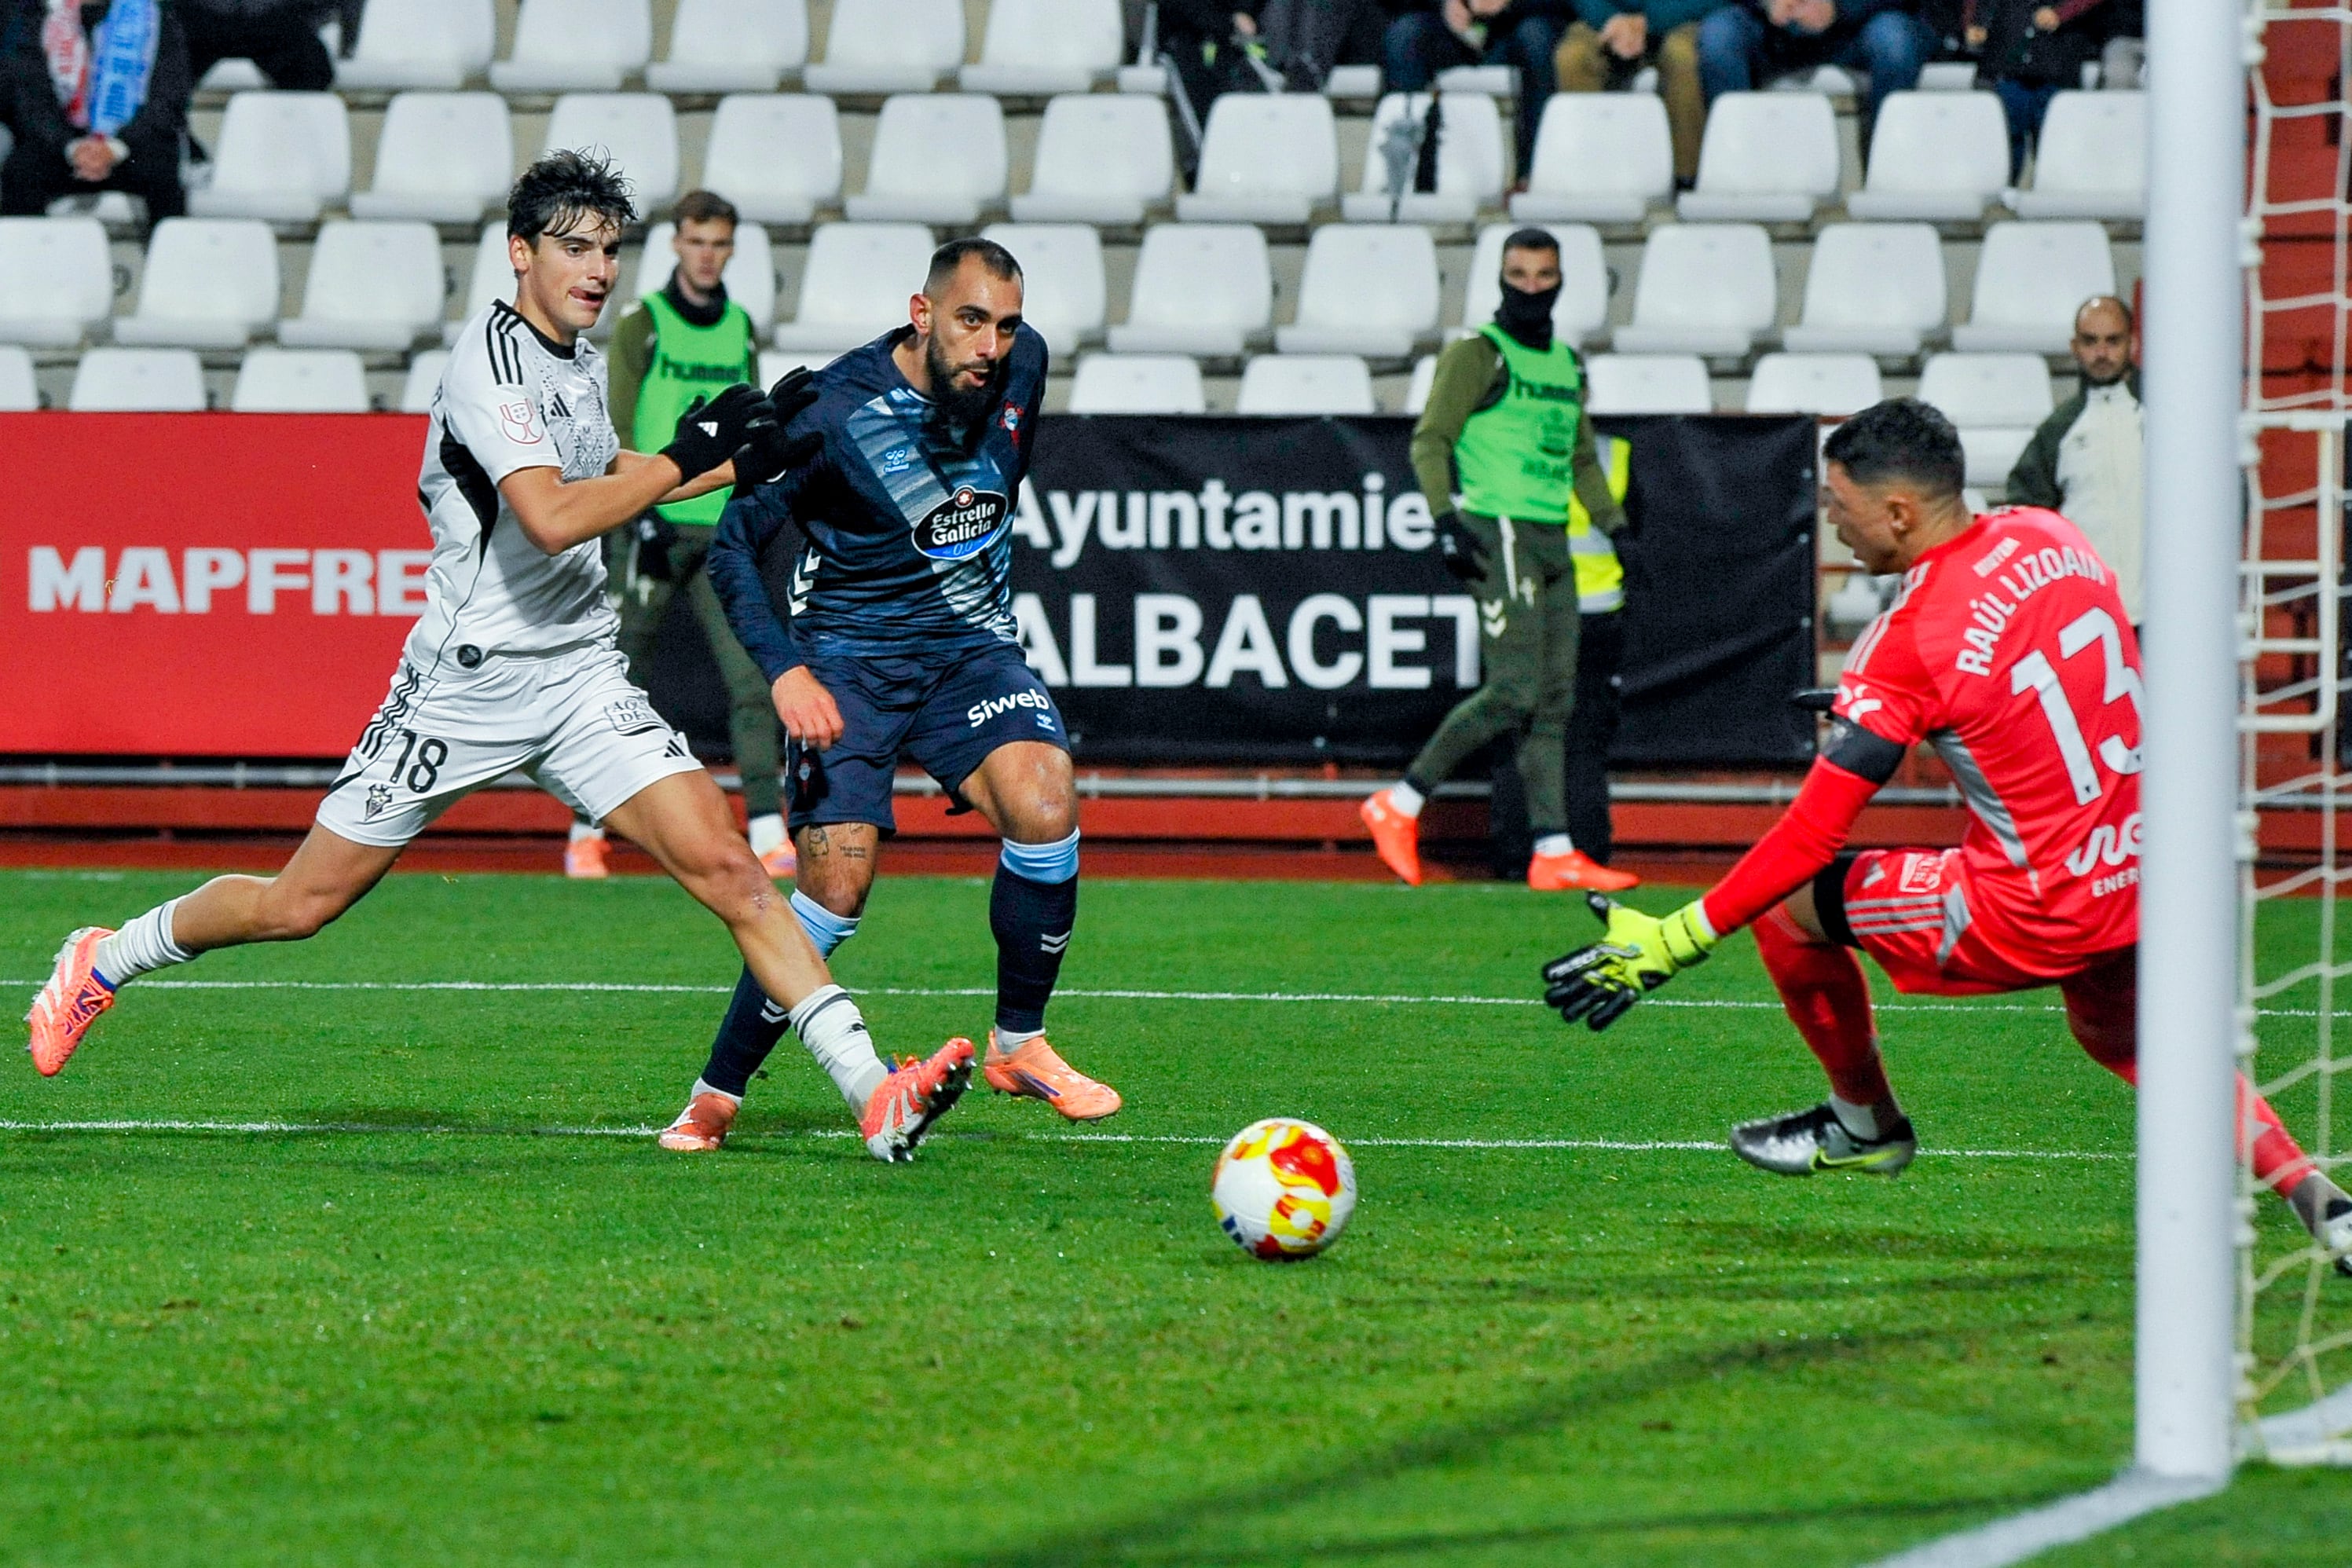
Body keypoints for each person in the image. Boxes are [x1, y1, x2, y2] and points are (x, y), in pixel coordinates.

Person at [23, 150, 976, 1167]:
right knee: (299, 903)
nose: (597, 269)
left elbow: (602, 470)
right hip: (464, 686)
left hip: (577, 678)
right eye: (573, 248)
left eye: (610, 249)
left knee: (733, 870)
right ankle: (105, 956)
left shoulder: (571, 358)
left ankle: (876, 1096)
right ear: (519, 253)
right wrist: (681, 458)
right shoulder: (489, 361)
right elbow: (554, 516)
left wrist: (745, 454)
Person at [1540, 398, 2352, 1272]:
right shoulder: (2051, 534)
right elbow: (2051, 672)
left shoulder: (1907, 640)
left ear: (1897, 511)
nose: (1832, 521)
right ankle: (2326, 1201)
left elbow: (1812, 834)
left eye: (1839, 505)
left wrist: (1677, 937)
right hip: (2146, 870)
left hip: (2036, 905)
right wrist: (1892, 717)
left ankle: (1865, 1122)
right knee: (2130, 1043)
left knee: (1792, 908)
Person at [667, 236, 1119, 1156]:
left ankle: (1019, 1043)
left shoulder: (1022, 366)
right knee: (836, 886)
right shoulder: (833, 411)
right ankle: (716, 1091)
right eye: (970, 321)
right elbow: (730, 550)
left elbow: (991, 488)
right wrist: (786, 671)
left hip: (969, 652)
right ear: (922, 315)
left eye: (1006, 325)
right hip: (848, 664)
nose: (992, 346)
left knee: (1046, 797)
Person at [1360, 227, 1639, 895]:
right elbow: (1431, 440)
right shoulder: (1479, 354)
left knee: (1554, 700)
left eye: (1545, 276)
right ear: (1501, 278)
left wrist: (1615, 527)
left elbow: (1578, 459)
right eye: (1520, 275)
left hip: (1552, 535)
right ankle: (1398, 803)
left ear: (1561, 280)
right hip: (1501, 527)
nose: (1533, 288)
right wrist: (1446, 522)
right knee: (1515, 689)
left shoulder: (1566, 364)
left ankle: (1553, 849)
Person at [564, 190, 795, 884]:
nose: (707, 255)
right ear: (676, 244)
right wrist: (638, 509)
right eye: (697, 241)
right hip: (649, 525)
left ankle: (765, 826)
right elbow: (618, 425)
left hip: (720, 529)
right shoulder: (645, 323)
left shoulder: (742, 327)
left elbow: (749, 424)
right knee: (613, 676)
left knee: (751, 677)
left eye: (720, 243)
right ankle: (585, 830)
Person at [2005, 296, 2141, 631]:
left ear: (2133, 343)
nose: (2102, 353)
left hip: (2166, 609)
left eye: (2113, 340)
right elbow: (2026, 514)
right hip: (2086, 614)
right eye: (2090, 341)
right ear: (2074, 346)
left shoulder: (2169, 415)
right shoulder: (2058, 430)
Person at [1, 0, 192, 220]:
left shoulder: (153, 15)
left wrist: (115, 147)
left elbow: (169, 96)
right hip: (62, 143)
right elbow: (29, 97)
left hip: (132, 144)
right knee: (22, 170)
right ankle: (27, 252)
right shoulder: (40, 14)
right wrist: (72, 147)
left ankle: (171, 254)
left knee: (162, 171)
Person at [1696, 0, 1932, 158]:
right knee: (1718, 36)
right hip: (1771, 29)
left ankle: (1889, 164)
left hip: (1859, 24)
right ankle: (1738, 164)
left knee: (1895, 42)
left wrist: (1837, 7)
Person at [1386, 0, 1570, 186]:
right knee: (1405, 34)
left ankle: (1531, 177)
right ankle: (1403, 175)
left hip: (1512, 31)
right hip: (1450, 31)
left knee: (1536, 37)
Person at [1556, 0, 1719, 187]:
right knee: (1573, 58)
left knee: (1682, 57)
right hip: (1606, 16)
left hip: (1680, 17)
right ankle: (1588, 174)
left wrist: (1647, 21)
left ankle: (1687, 178)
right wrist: (1610, 19)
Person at [1963, 0, 2111, 177]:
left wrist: (2061, 13)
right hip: (2007, 62)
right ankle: (2006, 190)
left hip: (2058, 63)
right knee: (2005, 140)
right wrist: (1974, 24)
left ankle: (2052, 189)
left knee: (2055, 141)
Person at [178, 0, 356, 91]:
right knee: (163, 77)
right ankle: (182, 148)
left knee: (313, 71)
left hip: (276, 21)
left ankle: (292, 143)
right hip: (200, 19)